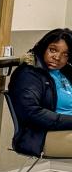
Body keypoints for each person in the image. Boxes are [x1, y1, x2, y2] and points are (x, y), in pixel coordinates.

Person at [8, 28, 72, 157]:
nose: (57, 57)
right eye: (53, 50)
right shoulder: (29, 74)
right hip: (42, 136)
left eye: (65, 54)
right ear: (43, 48)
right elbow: (31, 113)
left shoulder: (67, 71)